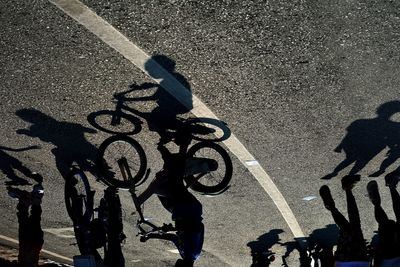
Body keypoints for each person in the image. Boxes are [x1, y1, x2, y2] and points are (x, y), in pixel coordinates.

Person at [137, 142, 204, 267]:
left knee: (159, 188)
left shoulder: (184, 254)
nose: (174, 265)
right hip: (188, 207)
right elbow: (197, 228)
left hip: (178, 210)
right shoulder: (193, 253)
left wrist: (150, 236)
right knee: (174, 180)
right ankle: (182, 143)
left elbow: (172, 238)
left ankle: (169, 158)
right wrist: (176, 229)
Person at [319, 175, 369, 267]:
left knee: (354, 224)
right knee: (346, 228)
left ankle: (347, 188)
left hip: (360, 261)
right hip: (343, 261)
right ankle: (332, 206)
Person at [7, 173, 44, 267]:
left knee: (24, 219)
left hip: (26, 243)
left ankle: (24, 199)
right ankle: (35, 199)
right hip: (35, 244)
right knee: (35, 219)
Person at [367, 170, 400, 266]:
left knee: (385, 224)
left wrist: (376, 256)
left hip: (387, 258)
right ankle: (391, 185)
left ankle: (375, 201)